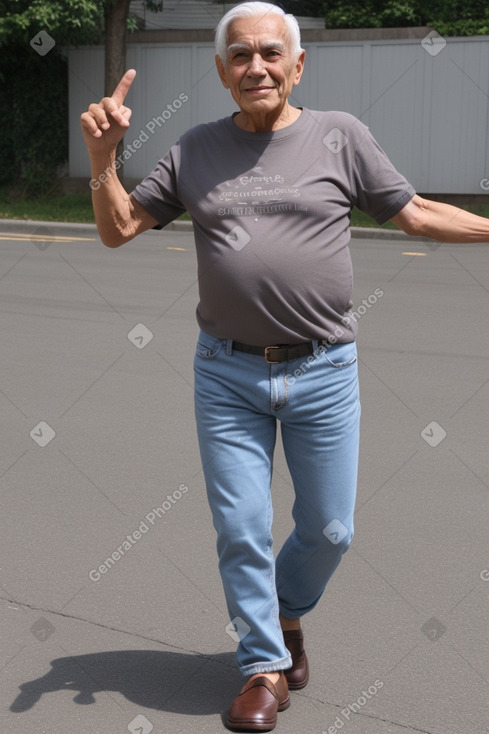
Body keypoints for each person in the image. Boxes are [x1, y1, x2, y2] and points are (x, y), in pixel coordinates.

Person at [81, 2, 489, 730]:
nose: (255, 66)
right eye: (239, 56)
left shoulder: (340, 136)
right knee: (240, 526)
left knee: (329, 530)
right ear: (220, 71)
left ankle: (284, 612)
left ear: (297, 65)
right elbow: (118, 231)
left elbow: (417, 214)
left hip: (323, 371)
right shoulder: (195, 147)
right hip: (225, 374)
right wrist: (104, 158)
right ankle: (262, 667)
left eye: (271, 53)